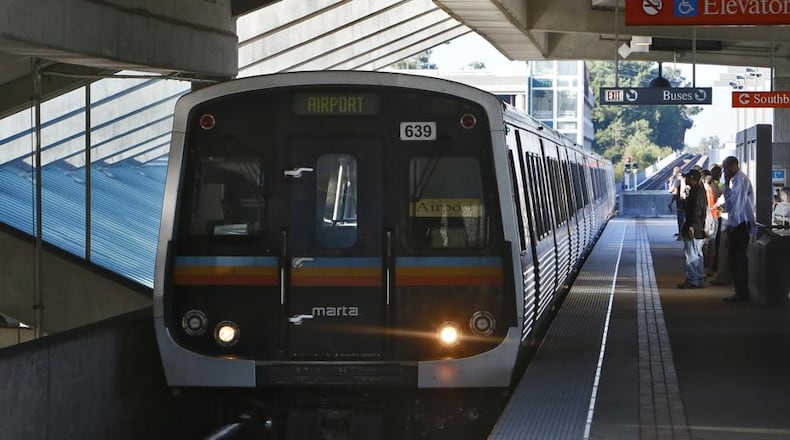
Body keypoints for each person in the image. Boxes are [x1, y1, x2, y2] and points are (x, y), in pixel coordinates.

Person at [712, 156, 755, 302]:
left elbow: (737, 204)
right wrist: (725, 186)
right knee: (735, 259)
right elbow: (730, 201)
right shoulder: (733, 181)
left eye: (725, 168)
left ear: (733, 166)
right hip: (739, 224)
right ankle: (740, 291)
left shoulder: (740, 180)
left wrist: (732, 225)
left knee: (738, 260)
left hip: (740, 225)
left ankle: (742, 293)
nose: (723, 171)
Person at [677, 169, 708, 289]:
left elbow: (696, 211)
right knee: (698, 254)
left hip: (694, 227)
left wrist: (691, 227)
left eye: (687, 178)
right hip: (698, 228)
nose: (686, 180)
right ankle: (699, 278)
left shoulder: (696, 192)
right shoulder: (699, 191)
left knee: (691, 255)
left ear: (692, 178)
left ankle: (693, 280)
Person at [668, 166, 686, 237]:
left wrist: (671, 203)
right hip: (686, 201)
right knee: (685, 218)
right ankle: (683, 233)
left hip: (680, 201)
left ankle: (681, 233)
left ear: (676, 172)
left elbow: (673, 191)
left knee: (680, 219)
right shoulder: (684, 179)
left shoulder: (677, 180)